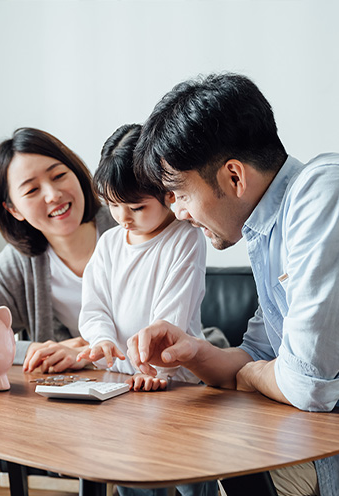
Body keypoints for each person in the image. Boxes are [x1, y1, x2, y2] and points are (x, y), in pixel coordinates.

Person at [127, 73, 339, 496]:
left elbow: (307, 385)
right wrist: (195, 353)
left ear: (233, 178)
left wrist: (253, 376)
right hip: (316, 438)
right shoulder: (266, 232)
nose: (180, 213)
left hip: (326, 444)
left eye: (180, 193)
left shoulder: (322, 193)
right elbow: (261, 354)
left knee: (222, 463)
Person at [77, 124, 217, 496]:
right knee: (132, 474)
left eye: (137, 207)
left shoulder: (185, 238)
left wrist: (155, 368)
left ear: (169, 196)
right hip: (123, 383)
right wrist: (102, 339)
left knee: (189, 475)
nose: (123, 216)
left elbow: (168, 321)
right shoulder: (108, 243)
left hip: (176, 382)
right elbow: (94, 308)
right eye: (113, 205)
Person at [0, 127, 116, 373]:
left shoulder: (130, 225)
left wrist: (85, 351)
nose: (53, 195)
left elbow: (166, 332)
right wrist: (32, 349)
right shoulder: (17, 264)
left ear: (76, 173)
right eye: (32, 190)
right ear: (14, 210)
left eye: (58, 176)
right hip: (73, 400)